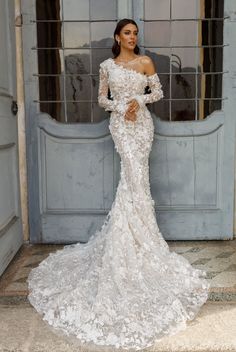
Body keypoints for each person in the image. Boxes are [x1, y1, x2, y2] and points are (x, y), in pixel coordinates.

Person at [27, 18, 210, 351]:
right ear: (117, 37)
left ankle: (144, 241)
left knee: (138, 179)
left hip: (141, 126)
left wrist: (136, 102)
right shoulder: (106, 66)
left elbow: (158, 92)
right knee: (132, 177)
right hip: (120, 129)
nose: (132, 37)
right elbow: (101, 100)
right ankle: (131, 238)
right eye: (127, 33)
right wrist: (119, 107)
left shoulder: (145, 62)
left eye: (135, 33)